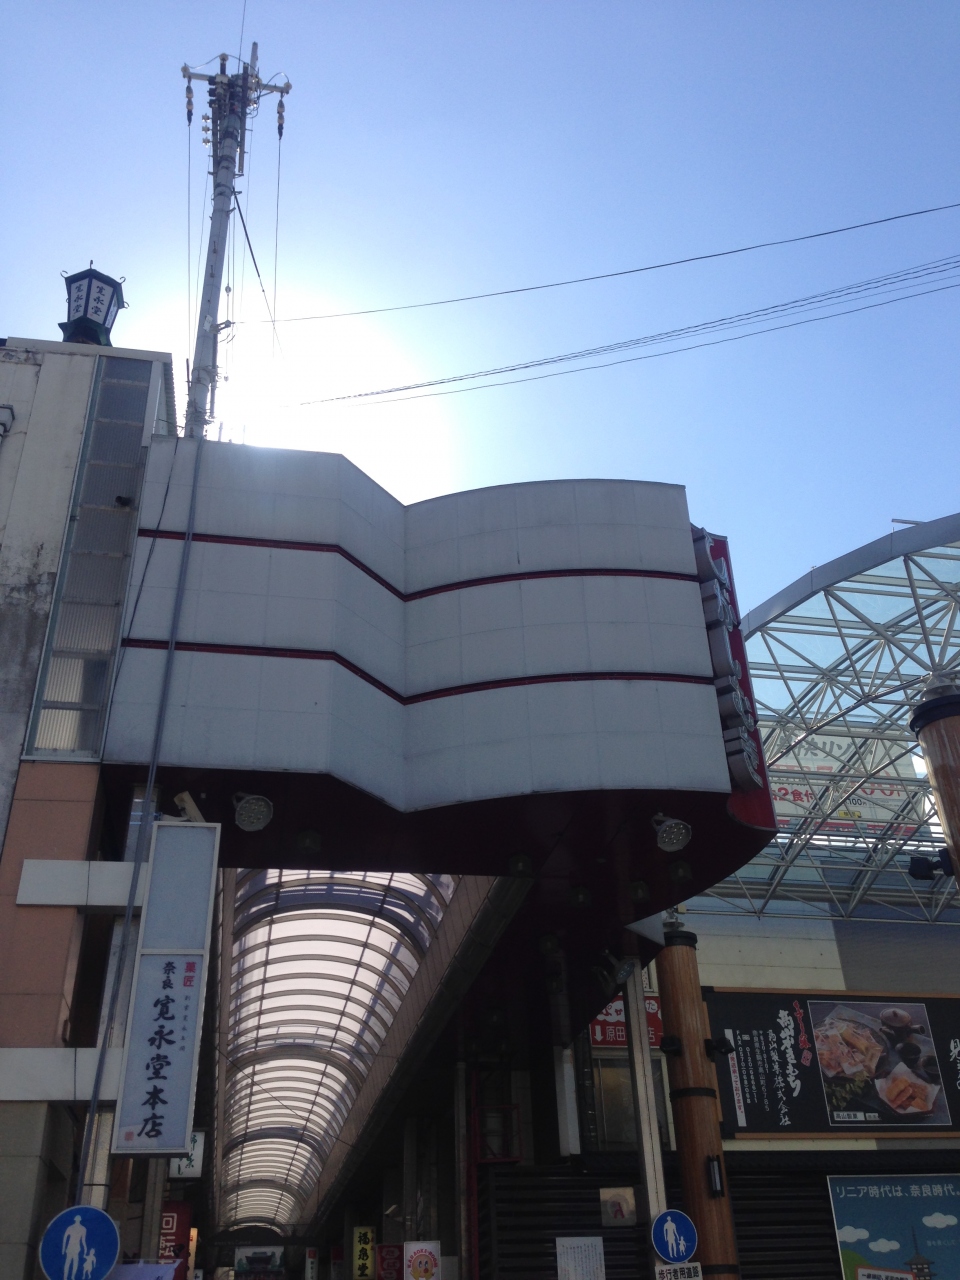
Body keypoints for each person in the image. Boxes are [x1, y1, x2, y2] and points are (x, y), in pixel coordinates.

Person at [61, 1215, 87, 1280]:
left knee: (74, 1263)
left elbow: (83, 1240)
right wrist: (63, 1248)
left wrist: (85, 1248)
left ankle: (72, 1277)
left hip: (76, 1248)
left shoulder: (83, 1229)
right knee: (69, 1262)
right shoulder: (71, 1228)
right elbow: (65, 1238)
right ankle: (65, 1277)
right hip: (71, 1247)